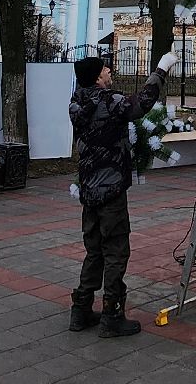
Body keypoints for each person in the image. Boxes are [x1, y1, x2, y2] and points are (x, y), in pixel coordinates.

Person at [68, 49, 178, 336]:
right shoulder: (109, 101)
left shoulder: (76, 103)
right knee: (116, 249)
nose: (110, 73)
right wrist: (161, 69)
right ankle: (112, 315)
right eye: (105, 70)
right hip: (111, 188)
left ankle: (80, 311)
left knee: (93, 250)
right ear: (96, 76)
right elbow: (141, 104)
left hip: (89, 188)